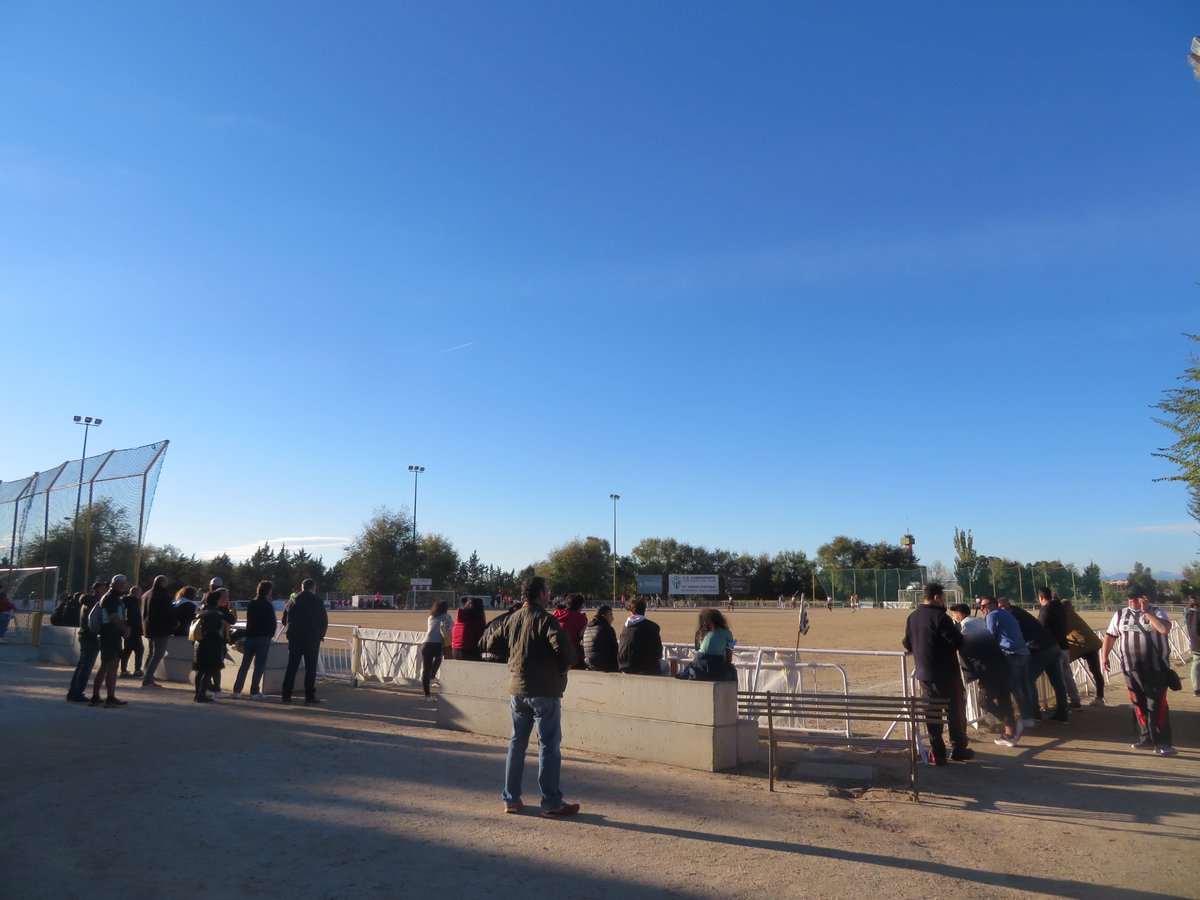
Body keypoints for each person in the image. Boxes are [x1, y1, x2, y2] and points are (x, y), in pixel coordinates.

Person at [485, 576, 579, 818]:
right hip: (545, 690)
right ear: (540, 594)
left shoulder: (511, 618)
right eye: (547, 591)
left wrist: (513, 656)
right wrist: (564, 664)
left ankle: (511, 798)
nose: (549, 595)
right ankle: (551, 802)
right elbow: (566, 651)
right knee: (548, 745)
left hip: (517, 689)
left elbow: (491, 643)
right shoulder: (546, 619)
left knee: (517, 744)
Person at [901, 582, 970, 765]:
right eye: (944, 598)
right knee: (955, 711)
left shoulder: (913, 617)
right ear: (937, 597)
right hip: (947, 673)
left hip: (924, 674)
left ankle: (937, 752)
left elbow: (907, 643)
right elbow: (957, 642)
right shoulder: (941, 617)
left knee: (932, 713)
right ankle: (958, 749)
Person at [1102, 588, 1176, 755]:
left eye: (1135, 599)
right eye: (1129, 599)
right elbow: (1109, 636)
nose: (1132, 602)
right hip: (1131, 668)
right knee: (1139, 703)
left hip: (1156, 668)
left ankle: (1162, 742)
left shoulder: (1157, 611)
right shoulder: (1120, 615)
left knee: (1157, 705)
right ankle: (1146, 738)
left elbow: (1164, 629)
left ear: (1144, 598)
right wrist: (1104, 656)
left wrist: (1146, 613)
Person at [948, 604, 1019, 746]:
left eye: (954, 614)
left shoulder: (966, 626)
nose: (953, 617)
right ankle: (1010, 734)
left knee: (984, 701)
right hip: (1001, 664)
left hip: (989, 669)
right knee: (1004, 699)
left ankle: (1011, 724)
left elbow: (960, 645)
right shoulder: (979, 621)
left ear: (959, 614)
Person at [997, 597, 1070, 723]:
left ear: (1002, 606)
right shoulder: (1017, 611)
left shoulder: (1009, 615)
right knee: (1057, 681)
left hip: (1039, 649)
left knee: (1028, 680)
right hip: (1052, 645)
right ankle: (1062, 713)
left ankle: (1034, 713)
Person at [977, 595, 1036, 727]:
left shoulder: (992, 615)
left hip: (1011, 654)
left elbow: (990, 636)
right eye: (981, 606)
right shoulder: (1005, 613)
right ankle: (1030, 716)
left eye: (984, 606)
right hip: (1024, 653)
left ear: (993, 604)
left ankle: (1024, 719)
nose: (982, 609)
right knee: (1025, 686)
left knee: (1015, 688)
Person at [280, 578, 329, 705]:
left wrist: (291, 631)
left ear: (302, 587)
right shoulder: (317, 601)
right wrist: (320, 636)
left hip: (295, 638)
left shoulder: (293, 601)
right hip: (312, 639)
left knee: (292, 667)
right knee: (310, 669)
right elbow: (323, 621)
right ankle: (309, 696)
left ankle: (286, 695)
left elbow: (284, 620)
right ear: (313, 588)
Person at [1036, 588, 1082, 710]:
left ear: (1040, 597)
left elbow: (1041, 628)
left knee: (1058, 679)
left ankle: (1062, 706)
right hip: (1064, 645)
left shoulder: (1046, 609)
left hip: (1053, 648)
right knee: (1067, 676)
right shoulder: (1060, 607)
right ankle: (1075, 700)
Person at [91, 575, 132, 708]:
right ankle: (110, 697)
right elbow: (113, 617)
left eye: (124, 583)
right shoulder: (111, 598)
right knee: (112, 666)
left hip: (109, 635)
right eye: (119, 583)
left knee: (105, 666)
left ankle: (96, 696)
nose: (122, 585)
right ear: (113, 584)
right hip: (110, 635)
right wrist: (125, 629)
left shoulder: (112, 597)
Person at [233, 580, 277, 698]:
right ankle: (254, 691)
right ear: (268, 591)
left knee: (245, 665)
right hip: (263, 638)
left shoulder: (252, 603)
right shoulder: (267, 604)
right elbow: (272, 622)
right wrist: (270, 634)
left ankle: (237, 690)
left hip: (251, 636)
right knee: (259, 666)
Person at [66, 581, 106, 703]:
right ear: (96, 589)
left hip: (85, 636)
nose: (105, 589)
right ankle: (77, 693)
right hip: (90, 637)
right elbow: (94, 622)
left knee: (82, 666)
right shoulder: (93, 603)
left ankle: (73, 692)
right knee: (86, 667)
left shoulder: (87, 601)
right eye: (103, 587)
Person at [1062, 597, 1106, 706]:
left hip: (1085, 647)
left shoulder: (1065, 617)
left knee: (1064, 669)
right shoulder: (1074, 615)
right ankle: (1100, 697)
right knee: (1096, 672)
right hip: (1090, 645)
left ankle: (1070, 697)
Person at [676, 608, 738, 681]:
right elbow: (729, 659)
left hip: (698, 665)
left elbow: (698, 649)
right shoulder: (727, 633)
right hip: (716, 664)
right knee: (732, 671)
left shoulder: (700, 633)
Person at [192, 589, 231, 703]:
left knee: (200, 671)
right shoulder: (215, 613)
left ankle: (198, 694)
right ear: (217, 600)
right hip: (211, 645)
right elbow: (214, 631)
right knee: (209, 670)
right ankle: (201, 694)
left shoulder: (201, 610)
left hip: (199, 644)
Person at [140, 575, 175, 688]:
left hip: (148, 627)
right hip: (161, 628)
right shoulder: (164, 595)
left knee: (151, 653)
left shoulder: (146, 594)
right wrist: (174, 623)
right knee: (158, 653)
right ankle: (148, 678)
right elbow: (168, 612)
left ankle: (147, 675)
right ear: (163, 583)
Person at [618, 598, 663, 676]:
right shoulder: (653, 626)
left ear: (632, 611)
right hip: (642, 668)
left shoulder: (625, 627)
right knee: (665, 666)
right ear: (644, 610)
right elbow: (658, 653)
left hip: (623, 666)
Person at [420, 599, 453, 699]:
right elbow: (450, 629)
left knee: (425, 669)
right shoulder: (447, 617)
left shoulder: (430, 617)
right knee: (438, 659)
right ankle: (432, 676)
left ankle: (427, 695)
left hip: (426, 644)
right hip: (437, 644)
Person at [552, 594, 588, 668]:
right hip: (573, 658)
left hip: (555, 656)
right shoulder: (580, 618)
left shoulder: (556, 614)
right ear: (580, 607)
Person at [582, 605, 619, 672]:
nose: (612, 618)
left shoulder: (587, 627)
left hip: (589, 664)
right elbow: (615, 648)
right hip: (604, 664)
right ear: (603, 615)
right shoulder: (607, 628)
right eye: (610, 615)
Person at [450, 596, 486, 661]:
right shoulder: (476, 620)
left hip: (454, 650)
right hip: (468, 651)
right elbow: (481, 637)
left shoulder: (461, 618)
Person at [120, 585, 144, 678]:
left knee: (127, 649)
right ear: (136, 593)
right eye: (139, 592)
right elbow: (135, 617)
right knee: (139, 649)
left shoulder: (125, 600)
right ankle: (137, 669)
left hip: (128, 628)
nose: (140, 594)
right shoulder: (133, 601)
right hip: (134, 629)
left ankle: (124, 670)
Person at [1185, 595, 1199, 696]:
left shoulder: (1189, 613)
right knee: (1196, 664)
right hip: (1198, 643)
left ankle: (1196, 688)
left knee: (1196, 663)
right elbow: (1196, 630)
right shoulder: (1195, 614)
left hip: (1195, 642)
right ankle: (1196, 689)